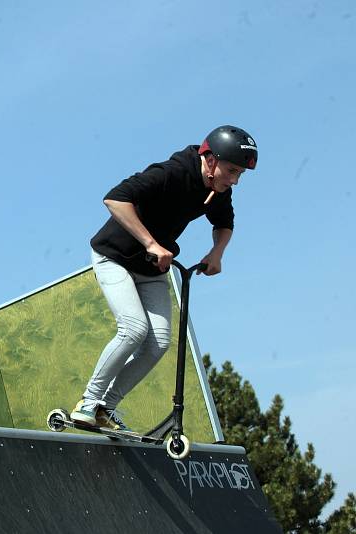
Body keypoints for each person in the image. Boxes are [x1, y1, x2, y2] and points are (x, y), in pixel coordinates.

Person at [71, 125, 258, 430]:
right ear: (210, 160)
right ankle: (88, 403)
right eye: (232, 170)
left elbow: (225, 224)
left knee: (158, 342)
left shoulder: (218, 189)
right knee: (133, 330)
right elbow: (115, 199)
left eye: (240, 174)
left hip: (151, 268)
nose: (235, 179)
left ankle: (106, 408)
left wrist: (217, 252)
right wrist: (151, 243)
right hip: (114, 257)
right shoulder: (171, 172)